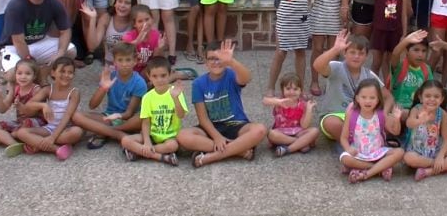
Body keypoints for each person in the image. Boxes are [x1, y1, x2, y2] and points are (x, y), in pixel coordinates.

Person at [176, 39, 268, 168]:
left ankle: (212, 156)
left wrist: (231, 62)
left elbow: (247, 77)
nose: (215, 62)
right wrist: (217, 137)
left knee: (260, 130)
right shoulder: (198, 83)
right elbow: (203, 119)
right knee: (182, 136)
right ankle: (238, 150)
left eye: (219, 58)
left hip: (236, 125)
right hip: (212, 127)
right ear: (206, 62)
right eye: (211, 59)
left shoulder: (231, 75)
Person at [0, 0, 77, 85]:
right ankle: (15, 73)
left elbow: (65, 31)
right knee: (12, 75)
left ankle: (42, 77)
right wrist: (31, 65)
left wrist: (60, 53)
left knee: (70, 50)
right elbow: (18, 41)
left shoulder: (54, 3)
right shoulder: (16, 5)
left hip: (39, 43)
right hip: (13, 47)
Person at [313, 29, 394, 142]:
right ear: (344, 53)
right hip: (336, 115)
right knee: (331, 124)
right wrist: (335, 49)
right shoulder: (336, 67)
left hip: (362, 118)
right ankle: (362, 142)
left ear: (366, 56)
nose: (356, 56)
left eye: (361, 53)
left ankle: (359, 142)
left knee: (392, 121)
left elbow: (388, 97)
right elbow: (317, 66)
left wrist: (385, 114)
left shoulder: (369, 75)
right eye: (352, 52)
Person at [71, 42, 147, 149]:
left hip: (126, 121)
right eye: (120, 60)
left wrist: (118, 116)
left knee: (141, 118)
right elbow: (92, 105)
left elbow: (129, 113)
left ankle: (104, 132)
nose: (124, 64)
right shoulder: (110, 76)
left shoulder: (139, 82)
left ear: (135, 61)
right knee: (75, 115)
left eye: (128, 60)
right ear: (115, 61)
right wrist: (103, 88)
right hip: (109, 118)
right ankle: (114, 134)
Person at [120, 56, 187, 166]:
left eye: (163, 76)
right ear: (149, 77)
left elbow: (181, 115)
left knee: (172, 146)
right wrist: (147, 142)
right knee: (125, 140)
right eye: (155, 76)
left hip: (170, 136)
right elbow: (146, 122)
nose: (159, 80)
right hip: (152, 134)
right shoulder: (147, 97)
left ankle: (139, 152)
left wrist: (175, 98)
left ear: (170, 75)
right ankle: (162, 157)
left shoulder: (176, 92)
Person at [14, 57, 83, 160]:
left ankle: (37, 144)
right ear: (53, 73)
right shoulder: (48, 90)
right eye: (62, 71)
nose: (66, 75)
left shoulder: (74, 92)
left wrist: (53, 137)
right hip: (49, 128)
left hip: (66, 129)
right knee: (21, 132)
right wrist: (43, 105)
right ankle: (56, 149)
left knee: (77, 132)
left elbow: (68, 116)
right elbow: (29, 104)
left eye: (70, 72)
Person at [339, 79, 404, 183]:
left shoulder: (381, 113)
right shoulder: (352, 114)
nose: (368, 101)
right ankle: (379, 168)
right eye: (364, 97)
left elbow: (395, 132)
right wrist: (348, 148)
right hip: (358, 154)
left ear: (378, 99)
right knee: (345, 158)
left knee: (400, 152)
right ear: (357, 98)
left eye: (372, 98)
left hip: (378, 153)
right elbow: (343, 137)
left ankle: (366, 173)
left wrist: (396, 119)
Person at [403, 80, 447, 181]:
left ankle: (427, 171)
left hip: (435, 150)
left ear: (442, 99)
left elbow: (446, 139)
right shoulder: (416, 109)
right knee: (408, 158)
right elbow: (409, 123)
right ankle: (442, 166)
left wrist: (440, 155)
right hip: (416, 151)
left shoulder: (442, 114)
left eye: (436, 97)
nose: (432, 99)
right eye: (428, 96)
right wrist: (419, 120)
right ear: (421, 98)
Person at [357, 0, 408, 80]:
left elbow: (403, 16)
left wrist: (404, 34)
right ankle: (372, 83)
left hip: (395, 32)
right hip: (379, 31)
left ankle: (387, 86)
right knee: (377, 62)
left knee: (389, 62)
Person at [308, 0, 345, 96]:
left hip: (334, 16)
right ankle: (314, 81)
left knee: (333, 52)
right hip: (319, 15)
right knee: (317, 49)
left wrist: (345, 16)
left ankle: (332, 83)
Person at [0, 59, 45, 157]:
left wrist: (20, 106)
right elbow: (3, 109)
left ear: (34, 76)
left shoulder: (36, 90)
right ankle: (14, 144)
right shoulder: (15, 88)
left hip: (36, 122)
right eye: (19, 73)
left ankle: (4, 139)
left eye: (27, 74)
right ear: (15, 75)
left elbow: (32, 113)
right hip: (20, 122)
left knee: (18, 131)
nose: (23, 77)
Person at [263, 73, 319, 157]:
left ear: (300, 91)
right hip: (281, 132)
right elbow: (265, 101)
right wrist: (278, 102)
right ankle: (300, 143)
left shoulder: (302, 104)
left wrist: (309, 110)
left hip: (298, 132)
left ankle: (287, 149)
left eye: (295, 89)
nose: (292, 92)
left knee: (315, 131)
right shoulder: (280, 101)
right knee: (271, 134)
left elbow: (304, 125)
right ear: (283, 90)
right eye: (288, 89)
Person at [80, 0, 137, 65]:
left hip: (129, 66)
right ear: (115, 3)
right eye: (119, 1)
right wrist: (93, 19)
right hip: (110, 65)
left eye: (127, 3)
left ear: (132, 6)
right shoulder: (106, 18)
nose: (122, 5)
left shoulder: (135, 21)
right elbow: (92, 46)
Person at [387, 30, 433, 118]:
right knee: (405, 114)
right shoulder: (399, 66)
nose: (420, 54)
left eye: (424, 51)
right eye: (416, 50)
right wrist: (406, 40)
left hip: (418, 109)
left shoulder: (426, 69)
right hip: (399, 109)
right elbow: (395, 53)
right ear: (406, 51)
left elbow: (430, 91)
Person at [122, 4, 164, 78]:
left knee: (158, 70)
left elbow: (156, 61)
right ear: (134, 24)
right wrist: (137, 41)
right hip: (131, 70)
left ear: (152, 19)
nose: (145, 24)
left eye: (147, 19)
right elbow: (123, 53)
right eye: (140, 21)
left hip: (147, 70)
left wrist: (159, 49)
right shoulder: (128, 36)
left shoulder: (156, 35)